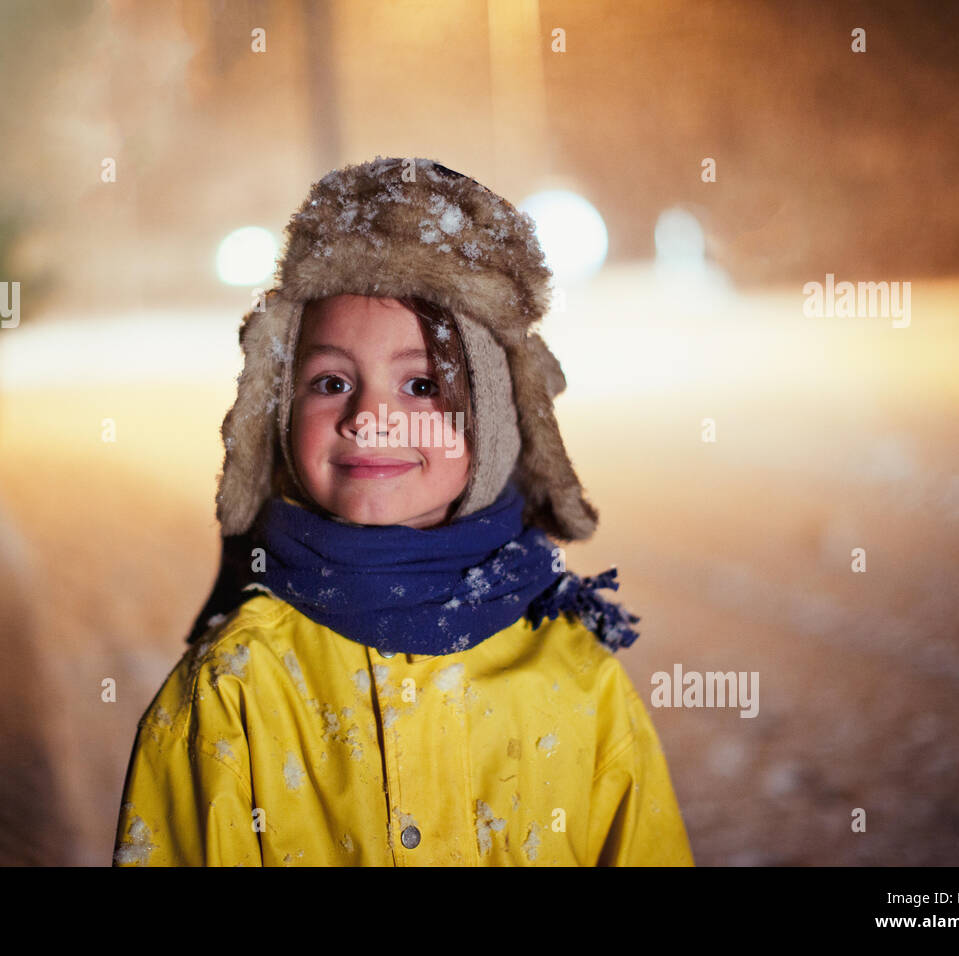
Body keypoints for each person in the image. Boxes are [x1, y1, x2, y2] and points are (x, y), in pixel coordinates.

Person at [112, 156, 694, 866]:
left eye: (420, 383)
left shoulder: (579, 680)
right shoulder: (234, 689)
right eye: (331, 381)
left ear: (497, 418)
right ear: (279, 410)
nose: (372, 418)